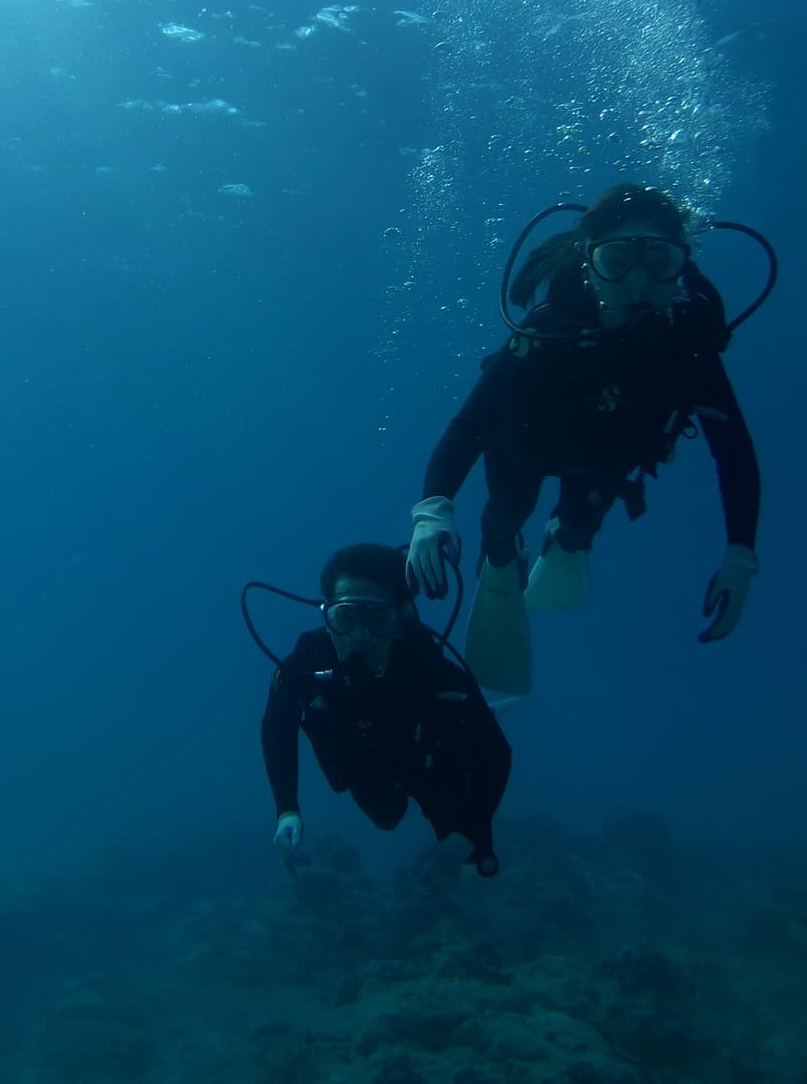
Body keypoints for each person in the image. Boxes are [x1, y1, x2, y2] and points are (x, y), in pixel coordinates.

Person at [405, 183, 762, 695]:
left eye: (658, 259)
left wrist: (740, 555)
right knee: (503, 523)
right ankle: (502, 556)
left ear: (680, 266)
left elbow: (735, 452)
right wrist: (432, 510)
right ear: (590, 265)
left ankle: (565, 538)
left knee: (577, 530)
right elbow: (472, 423)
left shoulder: (691, 348)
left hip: (607, 459)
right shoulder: (547, 331)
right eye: (617, 259)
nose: (637, 280)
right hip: (526, 445)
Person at [262, 543, 511, 877]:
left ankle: (470, 723)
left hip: (425, 756)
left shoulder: (433, 672)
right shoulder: (306, 664)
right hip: (359, 756)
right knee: (386, 816)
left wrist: (468, 836)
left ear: (400, 619)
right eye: (345, 617)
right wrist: (286, 811)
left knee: (455, 842)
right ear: (328, 612)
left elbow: (497, 752)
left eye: (377, 619)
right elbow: (277, 727)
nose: (359, 637)